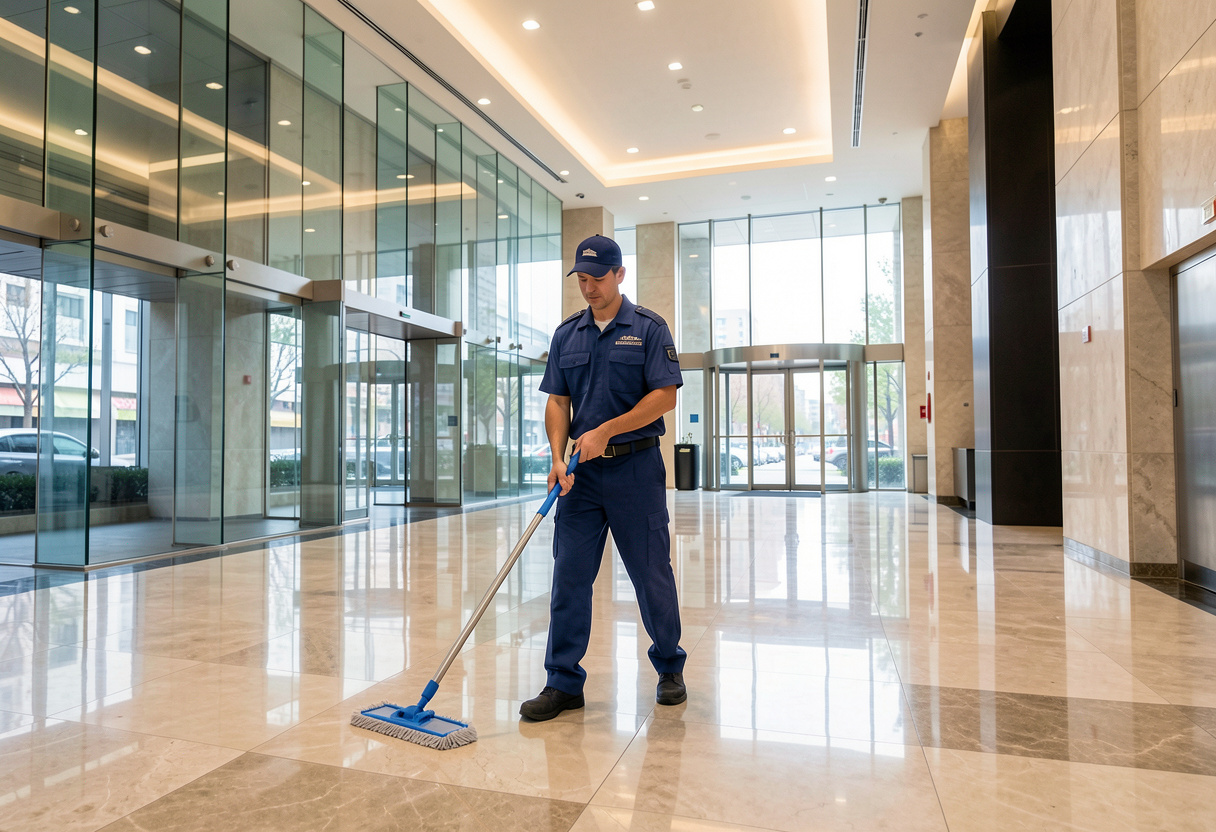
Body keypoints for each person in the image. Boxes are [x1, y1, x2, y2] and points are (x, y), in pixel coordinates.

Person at [520, 234, 688, 721]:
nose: (588, 288)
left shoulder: (650, 329)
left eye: (596, 278)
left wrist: (605, 431)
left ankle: (669, 667)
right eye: (582, 280)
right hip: (580, 476)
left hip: (635, 469)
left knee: (650, 573)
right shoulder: (566, 334)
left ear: (619, 275)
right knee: (569, 577)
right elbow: (556, 400)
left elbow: (665, 396)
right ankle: (563, 682)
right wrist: (558, 456)